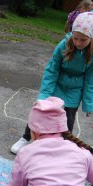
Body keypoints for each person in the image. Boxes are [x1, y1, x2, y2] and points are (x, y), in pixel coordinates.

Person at [11, 12, 93, 155]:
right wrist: (45, 94)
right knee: (42, 113)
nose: (79, 43)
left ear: (91, 38)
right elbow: (52, 70)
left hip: (75, 89)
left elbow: (90, 80)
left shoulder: (91, 53)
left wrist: (88, 104)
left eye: (83, 40)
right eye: (76, 38)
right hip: (57, 84)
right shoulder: (63, 45)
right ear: (72, 34)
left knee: (67, 122)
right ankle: (25, 137)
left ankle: (60, 149)